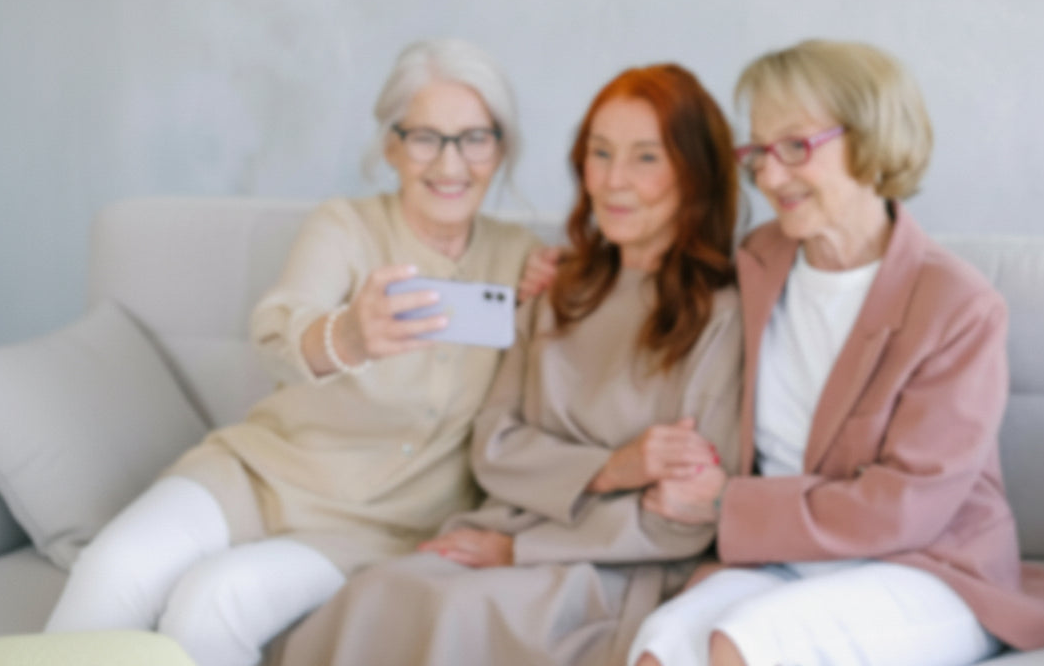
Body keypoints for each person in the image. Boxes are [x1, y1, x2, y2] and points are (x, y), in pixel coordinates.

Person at [46, 39, 550, 666]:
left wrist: (567, 294)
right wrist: (349, 337)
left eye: (475, 138)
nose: (451, 164)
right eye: (426, 137)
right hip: (258, 474)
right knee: (114, 570)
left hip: (377, 526)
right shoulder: (345, 226)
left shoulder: (524, 259)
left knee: (213, 603)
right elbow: (280, 326)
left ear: (500, 149)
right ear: (392, 145)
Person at [628, 40, 1044, 666]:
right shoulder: (758, 259)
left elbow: (906, 505)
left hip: (926, 567)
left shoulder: (957, 304)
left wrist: (727, 501)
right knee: (658, 649)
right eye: (758, 153)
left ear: (870, 138)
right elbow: (653, 283)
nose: (770, 177)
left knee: (744, 644)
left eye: (796, 146)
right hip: (784, 563)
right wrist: (546, 270)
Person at [274, 63, 745, 666]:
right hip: (504, 527)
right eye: (599, 154)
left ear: (695, 173)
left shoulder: (722, 318)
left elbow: (683, 516)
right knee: (377, 595)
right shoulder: (559, 289)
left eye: (645, 158)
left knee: (457, 611)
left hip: (612, 566)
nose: (614, 181)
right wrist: (609, 468)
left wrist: (523, 551)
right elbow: (495, 445)